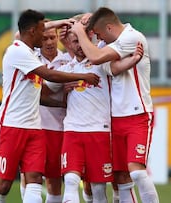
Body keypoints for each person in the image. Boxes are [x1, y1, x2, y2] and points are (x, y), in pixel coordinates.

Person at [0, 9, 100, 203]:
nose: (46, 36)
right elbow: (49, 75)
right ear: (32, 31)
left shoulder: (29, 51)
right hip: (10, 126)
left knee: (35, 180)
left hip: (34, 129)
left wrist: (62, 103)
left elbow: (40, 96)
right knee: (4, 184)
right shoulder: (17, 51)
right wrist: (83, 76)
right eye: (42, 31)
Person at [71, 7, 160, 203]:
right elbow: (112, 68)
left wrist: (79, 31)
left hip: (138, 114)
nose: (98, 38)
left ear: (109, 27)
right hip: (113, 119)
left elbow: (94, 57)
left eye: (100, 33)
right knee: (120, 177)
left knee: (136, 172)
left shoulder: (132, 37)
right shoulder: (106, 44)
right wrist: (85, 20)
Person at [45, 26, 143, 203]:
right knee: (71, 180)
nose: (80, 45)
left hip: (100, 131)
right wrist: (63, 94)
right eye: (75, 42)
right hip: (72, 130)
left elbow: (117, 68)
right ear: (69, 44)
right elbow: (43, 91)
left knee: (98, 188)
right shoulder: (66, 69)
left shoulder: (100, 64)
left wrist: (134, 60)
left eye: (82, 41)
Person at [19, 21, 72, 203]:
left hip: (58, 126)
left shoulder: (68, 60)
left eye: (52, 37)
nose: (49, 42)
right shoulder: (30, 57)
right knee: (29, 175)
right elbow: (18, 37)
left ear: (58, 37)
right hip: (34, 125)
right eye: (44, 38)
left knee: (54, 179)